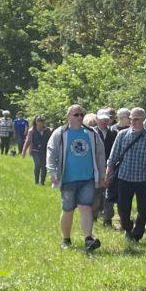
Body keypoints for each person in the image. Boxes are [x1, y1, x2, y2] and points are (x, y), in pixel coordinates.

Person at [46, 104, 107, 251]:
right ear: (68, 117)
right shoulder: (60, 133)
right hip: (68, 179)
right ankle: (66, 240)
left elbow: (100, 154)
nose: (80, 117)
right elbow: (51, 152)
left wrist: (102, 174)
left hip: (88, 179)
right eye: (76, 115)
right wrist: (52, 172)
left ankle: (88, 239)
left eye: (81, 114)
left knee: (85, 207)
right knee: (68, 209)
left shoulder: (91, 133)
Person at [106, 107, 146, 245]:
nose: (133, 121)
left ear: (143, 120)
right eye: (131, 119)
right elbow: (113, 157)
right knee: (123, 209)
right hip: (124, 178)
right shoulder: (122, 135)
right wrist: (108, 175)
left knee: (144, 209)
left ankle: (137, 233)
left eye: (136, 119)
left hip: (144, 180)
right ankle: (127, 229)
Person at [94, 109, 117, 227]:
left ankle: (108, 219)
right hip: (95, 168)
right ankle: (94, 216)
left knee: (108, 194)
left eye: (105, 120)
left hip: (109, 168)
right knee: (96, 194)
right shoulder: (91, 133)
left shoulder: (114, 134)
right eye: (101, 119)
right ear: (96, 119)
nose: (103, 122)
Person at [22, 116, 52, 184]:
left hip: (45, 151)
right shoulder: (31, 131)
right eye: (40, 121)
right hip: (35, 150)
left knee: (44, 166)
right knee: (38, 164)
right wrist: (24, 151)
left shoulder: (47, 130)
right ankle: (36, 181)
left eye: (43, 122)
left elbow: (51, 140)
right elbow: (28, 141)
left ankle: (42, 182)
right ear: (36, 122)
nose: (41, 123)